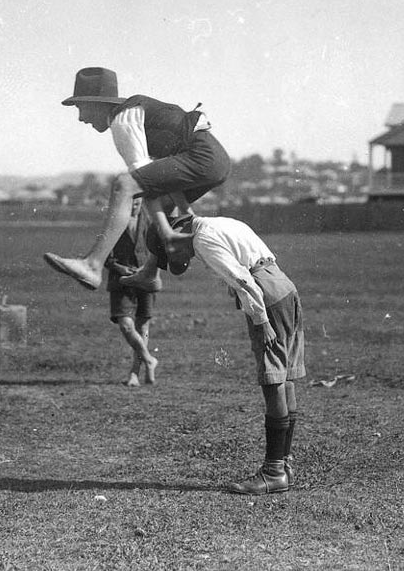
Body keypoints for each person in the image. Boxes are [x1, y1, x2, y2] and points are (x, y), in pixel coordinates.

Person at [44, 67, 231, 292]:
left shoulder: (123, 119)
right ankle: (151, 273)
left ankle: (93, 265)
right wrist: (179, 215)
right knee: (160, 205)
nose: (81, 118)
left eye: (81, 107)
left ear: (98, 103)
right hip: (215, 161)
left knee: (124, 185)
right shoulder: (138, 113)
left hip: (204, 158)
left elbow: (140, 184)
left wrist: (167, 230)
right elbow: (159, 183)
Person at [161, 214, 306, 495]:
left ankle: (274, 471)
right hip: (284, 286)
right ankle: (285, 463)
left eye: (173, 248)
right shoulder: (220, 223)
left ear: (179, 232)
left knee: (273, 377)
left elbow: (243, 280)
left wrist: (261, 322)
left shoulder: (202, 239)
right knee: (285, 376)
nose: (182, 257)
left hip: (265, 294)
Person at [105, 198, 158, 386]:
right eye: (129, 203)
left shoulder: (151, 219)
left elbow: (159, 249)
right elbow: (103, 254)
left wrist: (148, 268)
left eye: (136, 203)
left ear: (142, 200)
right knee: (126, 326)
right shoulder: (113, 221)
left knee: (143, 327)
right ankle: (150, 359)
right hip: (121, 281)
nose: (133, 207)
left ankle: (135, 373)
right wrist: (120, 268)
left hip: (145, 278)